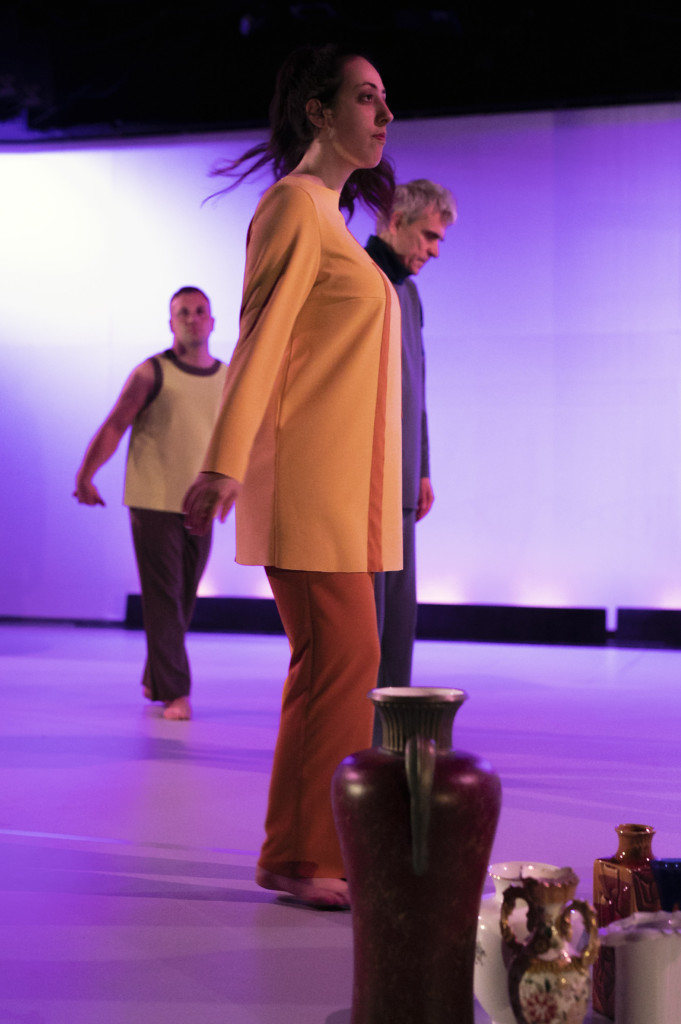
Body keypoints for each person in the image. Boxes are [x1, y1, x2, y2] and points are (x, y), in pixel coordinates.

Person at [183, 45, 401, 908]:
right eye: (365, 97)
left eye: (387, 100)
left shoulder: (330, 221)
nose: (384, 115)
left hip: (342, 488)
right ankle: (305, 858)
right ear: (319, 111)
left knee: (339, 662)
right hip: (307, 485)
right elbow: (262, 336)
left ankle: (297, 853)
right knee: (341, 660)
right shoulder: (292, 207)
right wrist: (223, 461)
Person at [73, 287, 227, 721]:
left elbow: (240, 442)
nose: (193, 319)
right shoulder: (150, 373)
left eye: (201, 312)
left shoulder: (228, 376)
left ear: (212, 321)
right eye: (184, 313)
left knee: (183, 597)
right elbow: (115, 425)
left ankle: (156, 677)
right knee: (163, 597)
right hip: (153, 501)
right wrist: (86, 474)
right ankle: (176, 692)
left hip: (200, 504)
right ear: (171, 322)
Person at [365, 179, 456, 737]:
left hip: (400, 481)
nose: (435, 249)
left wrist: (422, 467)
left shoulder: (409, 293)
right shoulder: (360, 277)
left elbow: (415, 387)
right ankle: (363, 737)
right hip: (365, 481)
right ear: (395, 219)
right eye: (428, 235)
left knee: (399, 619)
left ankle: (393, 735)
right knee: (366, 623)